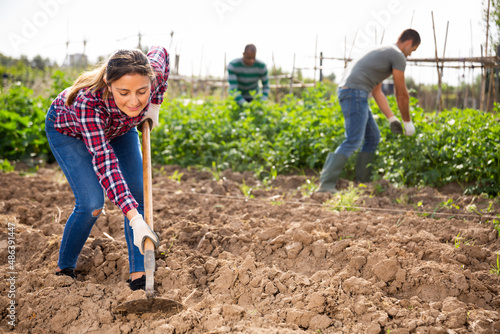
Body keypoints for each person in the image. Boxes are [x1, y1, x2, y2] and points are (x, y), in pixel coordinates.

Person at [45, 46, 169, 290]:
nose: (134, 101)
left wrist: (154, 104)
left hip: (120, 129)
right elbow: (104, 162)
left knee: (137, 193)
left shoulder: (153, 74)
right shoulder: (87, 102)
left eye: (142, 92)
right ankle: (64, 268)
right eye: (124, 92)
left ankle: (139, 276)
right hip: (70, 132)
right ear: (108, 84)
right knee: (92, 203)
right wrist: (135, 220)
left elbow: (162, 52)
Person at [317, 29, 420, 193]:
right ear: (409, 43)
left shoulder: (382, 52)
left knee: (372, 137)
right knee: (353, 140)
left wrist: (392, 118)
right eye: (412, 50)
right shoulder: (397, 55)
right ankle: (326, 185)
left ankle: (363, 182)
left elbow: (377, 91)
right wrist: (407, 122)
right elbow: (401, 93)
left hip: (353, 92)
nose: (409, 55)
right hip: (355, 92)